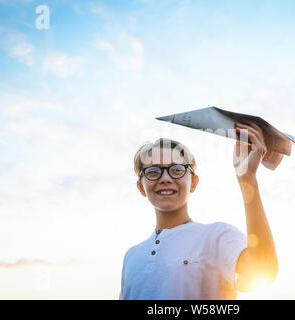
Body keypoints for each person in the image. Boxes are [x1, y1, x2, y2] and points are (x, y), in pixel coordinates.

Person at [119, 120, 278, 299]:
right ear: (141, 187)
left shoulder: (216, 236)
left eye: (177, 169)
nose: (165, 178)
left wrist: (247, 179)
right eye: (154, 171)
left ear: (193, 183)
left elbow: (264, 270)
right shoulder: (131, 256)